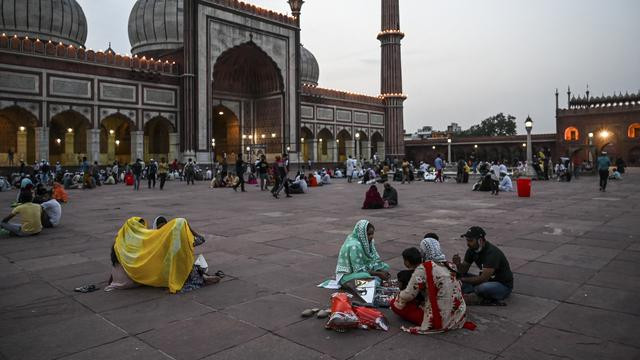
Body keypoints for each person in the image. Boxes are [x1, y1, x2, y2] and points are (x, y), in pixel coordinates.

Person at [105, 217, 220, 293]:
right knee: (183, 265)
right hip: (136, 280)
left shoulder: (120, 245)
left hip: (126, 280)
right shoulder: (154, 241)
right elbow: (201, 239)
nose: (142, 229)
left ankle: (203, 276)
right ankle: (203, 277)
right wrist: (187, 226)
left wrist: (111, 281)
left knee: (180, 263)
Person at [390, 239, 472, 334]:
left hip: (440, 320)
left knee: (395, 304)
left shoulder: (425, 268)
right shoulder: (450, 264)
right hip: (457, 314)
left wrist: (398, 296)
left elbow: (408, 295)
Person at [453, 226, 513, 305]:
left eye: (470, 241)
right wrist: (458, 264)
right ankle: (472, 293)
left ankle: (477, 297)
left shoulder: (492, 253)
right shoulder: (471, 250)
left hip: (502, 285)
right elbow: (463, 271)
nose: (468, 243)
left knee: (482, 287)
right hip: (486, 281)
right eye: (467, 240)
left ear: (480, 240)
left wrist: (461, 280)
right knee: (455, 275)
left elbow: (483, 278)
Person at [335, 220, 390, 286]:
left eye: (372, 234)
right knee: (366, 276)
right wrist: (378, 273)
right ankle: (369, 280)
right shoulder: (354, 245)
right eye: (369, 234)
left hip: (363, 269)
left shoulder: (368, 241)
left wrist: (380, 270)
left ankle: (373, 279)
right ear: (361, 234)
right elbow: (359, 270)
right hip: (347, 276)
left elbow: (374, 259)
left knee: (385, 267)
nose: (371, 236)